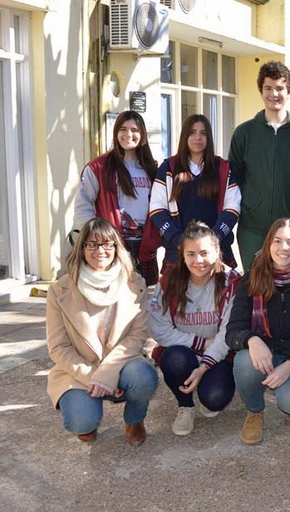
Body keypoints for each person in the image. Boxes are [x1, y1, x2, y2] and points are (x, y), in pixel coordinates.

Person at [46, 218, 159, 446]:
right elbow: (58, 347)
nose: (101, 251)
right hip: (80, 370)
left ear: (117, 248)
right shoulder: (59, 290)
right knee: (81, 423)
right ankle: (87, 418)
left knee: (144, 377)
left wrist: (107, 374)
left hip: (123, 363)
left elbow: (137, 335)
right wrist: (92, 377)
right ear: (82, 249)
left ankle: (134, 419)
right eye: (92, 244)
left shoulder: (134, 282)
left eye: (108, 244)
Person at [226, 218, 290, 445]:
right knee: (244, 361)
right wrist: (252, 339)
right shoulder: (252, 278)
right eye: (277, 241)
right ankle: (255, 410)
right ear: (268, 244)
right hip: (265, 354)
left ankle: (287, 391)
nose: (283, 248)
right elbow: (233, 330)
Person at [148, 222, 241, 436]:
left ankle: (207, 385)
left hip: (218, 353)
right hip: (183, 351)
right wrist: (199, 343)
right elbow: (159, 329)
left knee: (215, 400)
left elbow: (228, 332)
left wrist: (204, 365)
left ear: (218, 251)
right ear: (182, 254)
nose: (198, 261)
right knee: (174, 359)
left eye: (204, 253)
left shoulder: (232, 282)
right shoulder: (168, 282)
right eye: (191, 254)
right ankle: (185, 405)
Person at [228, 61, 290, 270]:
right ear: (261, 90)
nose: (273, 94)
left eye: (279, 88)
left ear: (289, 91)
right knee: (256, 289)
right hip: (253, 229)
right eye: (268, 88)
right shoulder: (244, 133)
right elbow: (234, 180)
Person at [74, 111, 159, 285]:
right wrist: (95, 239)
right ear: (116, 133)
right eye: (123, 129)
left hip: (143, 245)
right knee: (111, 294)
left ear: (142, 135)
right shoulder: (99, 167)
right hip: (111, 244)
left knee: (141, 296)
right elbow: (83, 205)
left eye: (134, 130)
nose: (128, 134)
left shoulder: (152, 168)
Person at [148, 114, 241, 272]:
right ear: (185, 135)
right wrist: (179, 240)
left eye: (203, 133)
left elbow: (232, 208)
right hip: (177, 251)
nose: (198, 137)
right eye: (192, 132)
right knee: (177, 296)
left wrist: (214, 239)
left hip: (216, 250)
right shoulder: (168, 167)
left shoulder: (223, 168)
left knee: (219, 296)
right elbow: (157, 208)